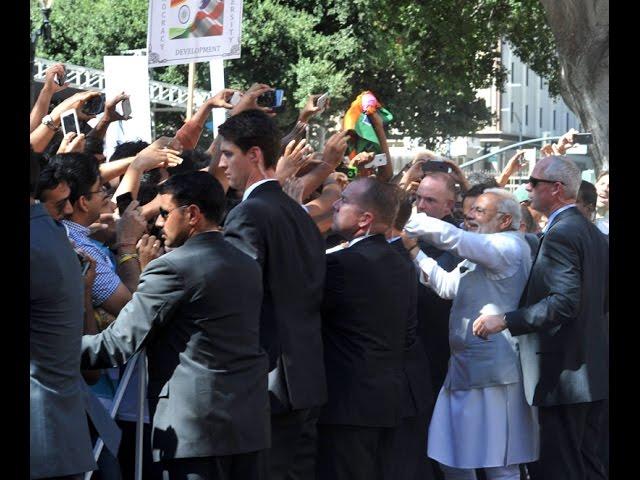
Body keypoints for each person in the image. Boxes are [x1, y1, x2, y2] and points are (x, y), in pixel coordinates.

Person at [81, 172, 270, 480]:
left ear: (193, 214)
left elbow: (118, 344)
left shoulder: (172, 267)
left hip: (195, 431)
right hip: (247, 425)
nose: (158, 223)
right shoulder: (246, 263)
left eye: (166, 213)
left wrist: (50, 347)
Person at [473, 156, 609, 480]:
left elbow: (563, 303)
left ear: (556, 189)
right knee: (587, 465)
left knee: (560, 468)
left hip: (565, 376)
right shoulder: (590, 231)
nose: (528, 188)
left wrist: (506, 320)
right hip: (588, 373)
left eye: (534, 182)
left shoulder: (565, 233)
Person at [218, 108, 327, 480]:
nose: (222, 163)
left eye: (228, 153)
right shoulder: (297, 214)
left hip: (269, 382)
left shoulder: (249, 214)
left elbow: (239, 297)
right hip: (304, 377)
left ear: (254, 155)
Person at [404, 188, 538, 480]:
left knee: (500, 465)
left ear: (504, 220)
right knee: (450, 454)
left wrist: (409, 220)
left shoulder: (507, 246)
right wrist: (414, 251)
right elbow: (447, 287)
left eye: (479, 210)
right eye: (471, 209)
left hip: (494, 375)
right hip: (464, 369)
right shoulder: (485, 248)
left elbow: (457, 239)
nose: (470, 215)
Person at [317, 177, 415, 480]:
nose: (335, 204)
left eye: (344, 200)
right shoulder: (403, 264)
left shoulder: (344, 265)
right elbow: (408, 335)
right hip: (388, 400)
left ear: (365, 218)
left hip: (345, 403)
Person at [31, 150, 119, 479]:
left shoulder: (48, 244)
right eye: (59, 205)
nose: (67, 212)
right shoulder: (49, 241)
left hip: (53, 431)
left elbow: (88, 366)